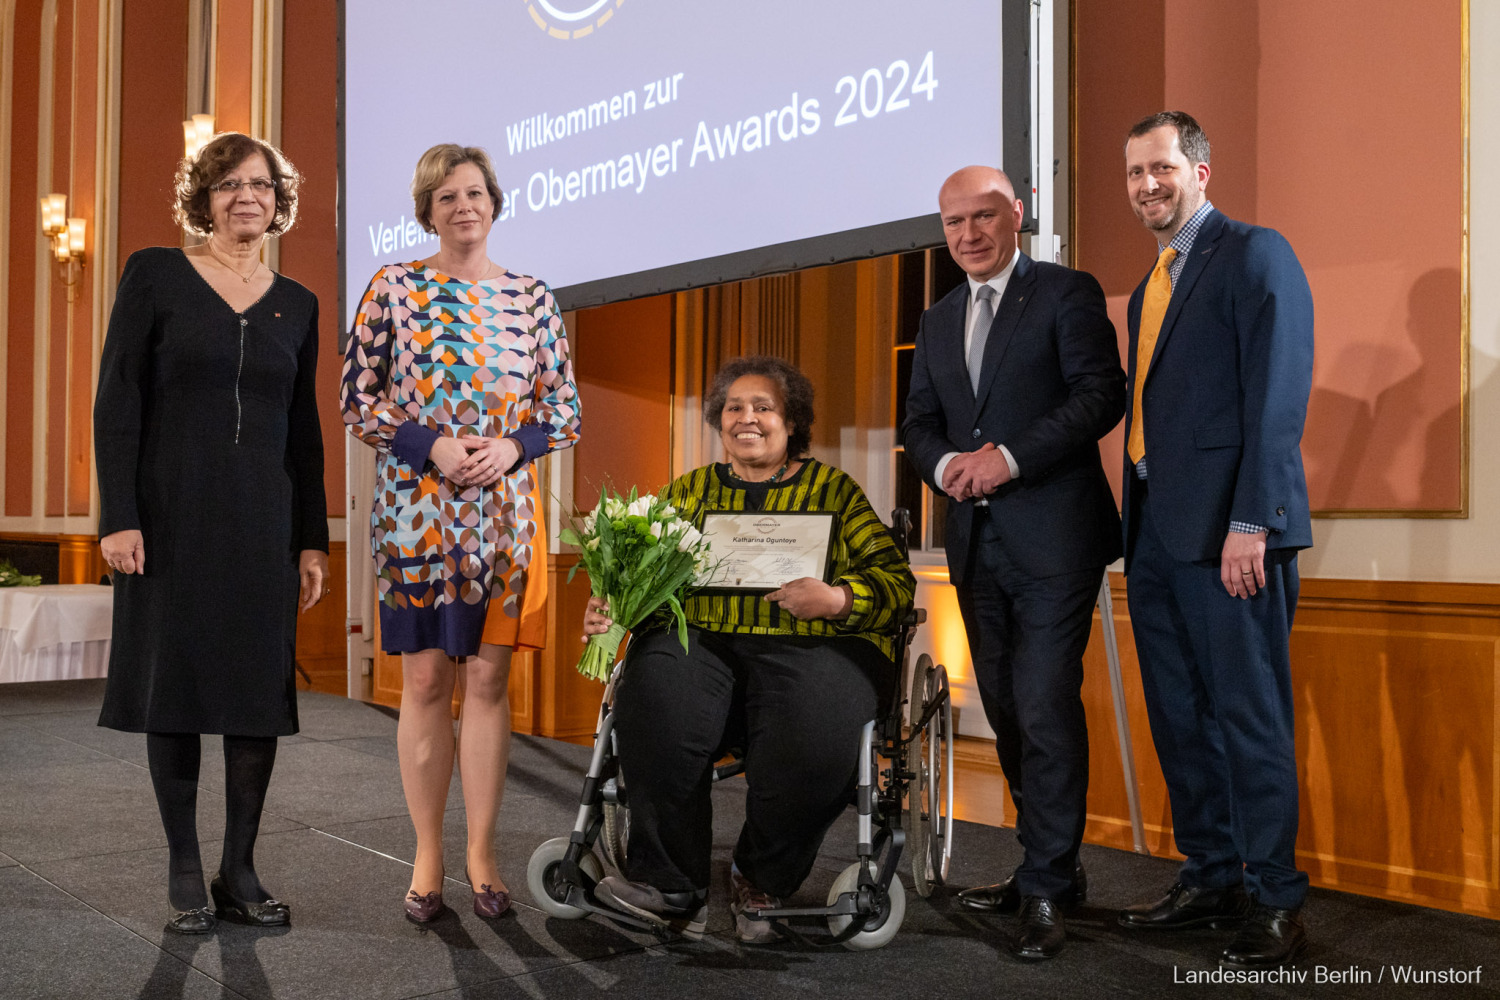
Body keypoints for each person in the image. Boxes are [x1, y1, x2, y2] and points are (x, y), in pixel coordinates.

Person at [583, 355, 915, 945]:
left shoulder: (833, 491)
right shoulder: (690, 493)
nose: (748, 418)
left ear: (792, 422)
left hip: (809, 643)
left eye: (764, 407)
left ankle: (759, 878)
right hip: (703, 640)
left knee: (822, 721)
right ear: (719, 421)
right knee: (657, 694)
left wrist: (837, 598)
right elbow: (641, 579)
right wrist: (611, 607)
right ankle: (667, 882)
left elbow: (893, 583)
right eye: (735, 407)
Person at [94, 132, 329, 934]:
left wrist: (311, 539)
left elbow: (306, 433)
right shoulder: (155, 274)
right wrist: (118, 516)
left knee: (254, 696)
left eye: (260, 185)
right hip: (169, 516)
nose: (246, 197)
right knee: (177, 687)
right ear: (203, 197)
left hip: (263, 520)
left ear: (278, 200)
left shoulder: (297, 303)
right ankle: (185, 866)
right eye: (228, 184)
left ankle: (241, 867)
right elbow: (117, 400)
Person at [342, 143, 581, 924]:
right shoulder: (395, 290)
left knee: (486, 683)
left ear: (495, 202)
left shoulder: (533, 298)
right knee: (422, 683)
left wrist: (514, 446)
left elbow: (565, 411)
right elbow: (357, 400)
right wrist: (430, 444)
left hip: (505, 523)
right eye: (445, 196)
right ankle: (427, 855)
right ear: (427, 211)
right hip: (414, 516)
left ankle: (481, 855)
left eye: (474, 192)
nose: (462, 206)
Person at [900, 166, 1125, 960]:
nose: (969, 234)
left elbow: (1102, 395)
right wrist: (942, 468)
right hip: (974, 542)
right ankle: (1048, 868)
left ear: (1016, 215)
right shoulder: (936, 320)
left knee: (1041, 702)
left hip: (1056, 538)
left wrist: (1008, 458)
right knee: (1001, 700)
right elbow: (920, 421)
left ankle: (1045, 882)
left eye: (984, 216)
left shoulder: (1066, 293)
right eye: (955, 221)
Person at [1114, 111, 1314, 968]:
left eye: (1160, 168)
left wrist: (1249, 525)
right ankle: (1210, 876)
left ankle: (1273, 899)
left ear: (1200, 169)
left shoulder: (1255, 252)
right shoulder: (1150, 282)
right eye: (1133, 173)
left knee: (1248, 718)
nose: (1146, 185)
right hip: (1155, 533)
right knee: (1179, 717)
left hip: (1232, 536)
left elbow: (1277, 397)